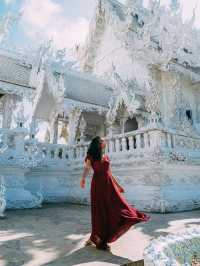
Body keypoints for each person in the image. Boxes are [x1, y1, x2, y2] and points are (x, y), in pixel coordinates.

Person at [80, 136, 150, 251]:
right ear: (98, 144)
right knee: (99, 212)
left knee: (118, 207)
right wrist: (82, 179)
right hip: (97, 186)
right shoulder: (91, 156)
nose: (105, 142)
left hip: (109, 186)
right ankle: (97, 238)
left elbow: (110, 173)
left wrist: (118, 186)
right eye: (103, 141)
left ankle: (96, 237)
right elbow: (87, 168)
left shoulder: (106, 157)